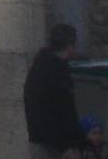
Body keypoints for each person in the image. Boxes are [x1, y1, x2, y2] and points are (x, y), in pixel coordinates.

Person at [24, 23, 85, 158]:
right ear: (70, 46)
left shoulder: (39, 66)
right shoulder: (56, 72)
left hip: (41, 140)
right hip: (54, 145)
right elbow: (63, 111)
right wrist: (68, 145)